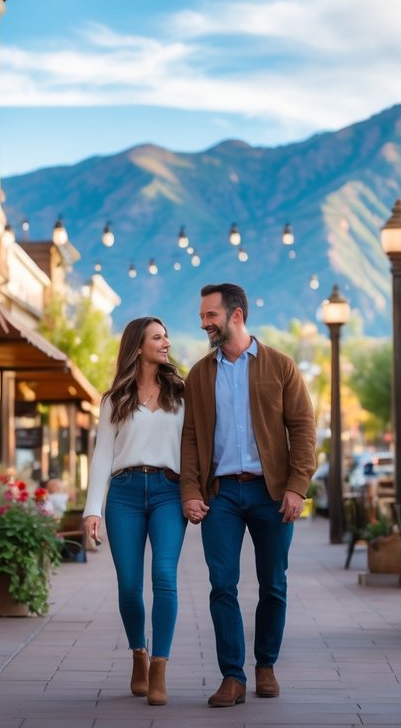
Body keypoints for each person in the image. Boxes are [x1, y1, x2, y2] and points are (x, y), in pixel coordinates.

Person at [180, 283, 316, 708]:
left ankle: (266, 665)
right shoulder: (200, 374)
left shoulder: (280, 365)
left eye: (210, 316)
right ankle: (232, 677)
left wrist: (297, 486)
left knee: (273, 584)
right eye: (202, 317)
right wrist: (189, 489)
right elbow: (189, 437)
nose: (203, 323)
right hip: (220, 495)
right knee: (222, 585)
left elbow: (303, 429)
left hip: (270, 494)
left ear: (236, 316)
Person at [83, 317, 187, 706]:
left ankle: (159, 666)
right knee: (129, 585)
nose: (166, 342)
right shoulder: (114, 400)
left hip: (168, 492)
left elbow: (194, 449)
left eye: (166, 335)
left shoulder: (181, 392)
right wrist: (92, 509)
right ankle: (138, 654)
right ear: (138, 346)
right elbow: (102, 455)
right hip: (124, 494)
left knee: (164, 574)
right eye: (157, 337)